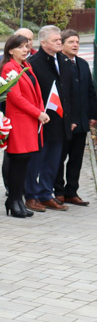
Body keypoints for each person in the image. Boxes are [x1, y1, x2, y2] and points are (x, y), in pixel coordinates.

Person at [24, 26, 74, 212]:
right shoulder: (33, 63)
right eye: (55, 40)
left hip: (61, 120)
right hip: (41, 120)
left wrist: (71, 118)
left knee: (53, 161)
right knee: (36, 160)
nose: (59, 43)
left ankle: (46, 194)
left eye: (60, 39)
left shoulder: (64, 60)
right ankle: (31, 195)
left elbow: (69, 93)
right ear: (43, 43)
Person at [1, 34, 47, 217]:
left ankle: (17, 200)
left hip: (31, 120)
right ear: (11, 50)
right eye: (20, 47)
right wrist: (38, 113)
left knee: (25, 162)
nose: (25, 50)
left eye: (26, 46)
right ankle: (13, 200)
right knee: (18, 162)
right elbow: (16, 97)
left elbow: (36, 92)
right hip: (20, 121)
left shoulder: (26, 66)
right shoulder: (8, 68)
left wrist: (40, 110)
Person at [54, 30, 97, 206]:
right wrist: (67, 118)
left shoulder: (82, 64)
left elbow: (90, 91)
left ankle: (72, 191)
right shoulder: (59, 65)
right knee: (60, 157)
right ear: (62, 44)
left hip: (82, 120)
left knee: (77, 158)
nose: (75, 45)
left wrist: (93, 115)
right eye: (71, 42)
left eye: (77, 42)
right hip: (65, 122)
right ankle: (59, 191)